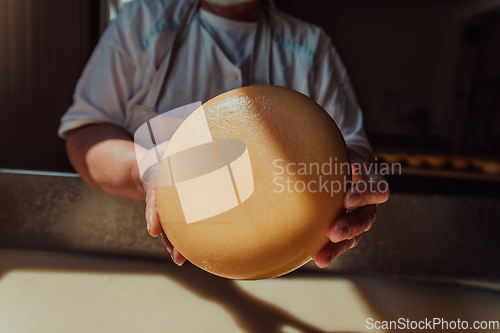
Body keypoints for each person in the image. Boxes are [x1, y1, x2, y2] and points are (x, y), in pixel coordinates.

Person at [59, 0, 389, 268]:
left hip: (285, 260)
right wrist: (150, 171)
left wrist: (353, 183)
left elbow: (352, 147)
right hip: (139, 261)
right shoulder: (142, 22)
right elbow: (86, 133)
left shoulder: (309, 47)